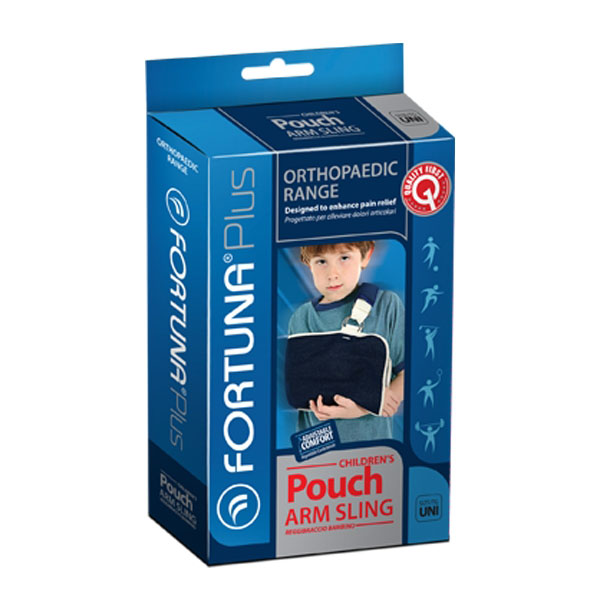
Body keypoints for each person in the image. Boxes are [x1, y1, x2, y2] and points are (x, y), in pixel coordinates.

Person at [287, 240, 405, 442]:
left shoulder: (385, 305)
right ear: (308, 264)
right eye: (321, 261)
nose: (332, 274)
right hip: (317, 445)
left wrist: (365, 405)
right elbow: (298, 388)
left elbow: (408, 371)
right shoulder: (301, 318)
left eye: (344, 258)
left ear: (365, 256)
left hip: (370, 446)